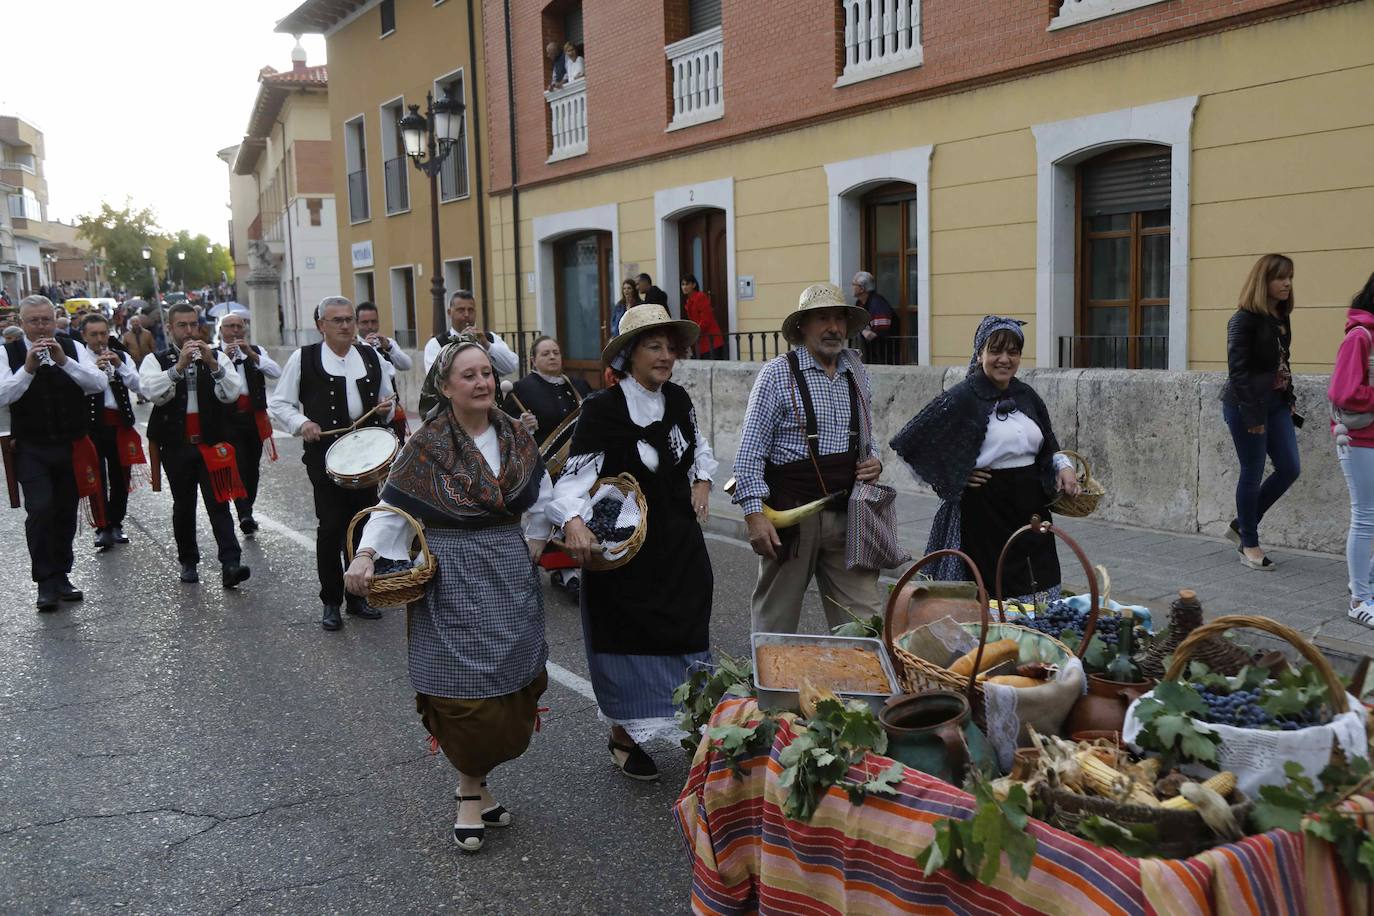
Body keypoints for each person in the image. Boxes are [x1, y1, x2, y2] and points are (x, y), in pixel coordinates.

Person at [344, 337, 552, 853]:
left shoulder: (515, 438)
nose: (483, 383)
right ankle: (468, 790)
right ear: (445, 386)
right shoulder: (427, 445)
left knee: (512, 684)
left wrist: (534, 544)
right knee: (461, 690)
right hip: (451, 571)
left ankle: (478, 783)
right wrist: (366, 556)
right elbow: (395, 510)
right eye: (470, 376)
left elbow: (542, 498)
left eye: (487, 373)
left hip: (507, 569)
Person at [552, 304, 717, 782]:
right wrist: (575, 522)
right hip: (625, 548)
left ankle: (692, 726)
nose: (666, 356)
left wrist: (702, 478)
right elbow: (572, 480)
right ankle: (623, 736)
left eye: (670, 347)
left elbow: (696, 446)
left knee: (687, 630)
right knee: (626, 635)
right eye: (654, 347)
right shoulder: (601, 409)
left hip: (679, 543)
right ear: (629, 355)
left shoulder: (680, 398)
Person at [891, 316, 1080, 602]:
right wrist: (957, 475)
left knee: (1039, 580)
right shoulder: (963, 397)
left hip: (1031, 509)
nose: (1004, 359)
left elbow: (1046, 446)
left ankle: (1034, 640)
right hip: (986, 512)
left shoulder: (1026, 395)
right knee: (993, 590)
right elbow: (913, 440)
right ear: (980, 353)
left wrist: (1064, 468)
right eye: (995, 351)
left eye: (1013, 352)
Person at [733, 283, 881, 633]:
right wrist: (755, 515)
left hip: (848, 516)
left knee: (866, 623)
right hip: (792, 518)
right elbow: (749, 453)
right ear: (803, 327)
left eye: (839, 319)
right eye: (823, 318)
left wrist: (873, 460)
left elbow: (867, 440)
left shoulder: (857, 373)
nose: (833, 327)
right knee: (776, 623)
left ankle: (862, 688)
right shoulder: (776, 374)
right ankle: (771, 688)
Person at [269, 296, 395, 631]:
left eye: (349, 319)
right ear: (321, 325)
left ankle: (357, 596)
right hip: (325, 457)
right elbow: (279, 403)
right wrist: (301, 424)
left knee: (363, 524)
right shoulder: (304, 358)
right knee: (331, 526)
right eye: (336, 320)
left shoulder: (370, 356)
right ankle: (331, 601)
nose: (345, 326)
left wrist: (385, 409)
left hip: (366, 457)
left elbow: (388, 399)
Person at [0, 296, 109, 610]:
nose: (40, 327)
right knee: (41, 509)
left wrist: (64, 361)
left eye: (45, 320)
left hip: (70, 444)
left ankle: (62, 574)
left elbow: (98, 383)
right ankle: (44, 582)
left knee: (64, 510)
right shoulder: (8, 353)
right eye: (33, 321)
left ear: (54, 319)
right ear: (22, 324)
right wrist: (28, 369)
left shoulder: (72, 347)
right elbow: (4, 395)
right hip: (31, 447)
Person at [140, 304, 252, 589]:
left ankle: (231, 563)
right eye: (182, 325)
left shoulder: (216, 357)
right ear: (170, 328)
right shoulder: (156, 359)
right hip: (176, 446)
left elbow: (231, 395)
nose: (189, 331)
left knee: (219, 503)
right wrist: (178, 368)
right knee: (184, 505)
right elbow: (154, 393)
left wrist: (213, 365)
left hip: (211, 443)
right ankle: (188, 560)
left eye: (193, 325)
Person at [1220, 253, 1301, 571]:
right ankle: (1249, 543)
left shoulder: (1281, 316)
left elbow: (1282, 361)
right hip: (1246, 406)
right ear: (1263, 281)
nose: (1287, 283)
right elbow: (1238, 372)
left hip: (1277, 405)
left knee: (1289, 468)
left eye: (1290, 277)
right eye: (1280, 277)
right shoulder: (1242, 320)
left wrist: (1289, 396)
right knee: (1251, 473)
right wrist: (1253, 416)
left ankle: (1243, 523)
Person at [504, 335, 591, 600]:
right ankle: (565, 573)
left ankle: (576, 568)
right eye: (545, 354)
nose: (553, 357)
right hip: (545, 466)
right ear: (533, 360)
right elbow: (504, 428)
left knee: (579, 515)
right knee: (553, 516)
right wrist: (522, 423)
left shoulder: (577, 384)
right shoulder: (522, 389)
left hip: (581, 464)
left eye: (556, 352)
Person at [1330, 271, 1374, 629]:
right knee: (1365, 517)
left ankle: (1365, 584)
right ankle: (1359, 599)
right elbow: (1343, 392)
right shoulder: (1360, 337)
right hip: (1359, 440)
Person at [215, 313, 282, 536]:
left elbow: (275, 372)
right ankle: (244, 512)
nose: (235, 330)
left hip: (252, 417)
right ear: (221, 330)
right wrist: (222, 358)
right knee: (238, 463)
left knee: (252, 467)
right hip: (226, 417)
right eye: (230, 326)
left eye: (239, 326)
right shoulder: (212, 352)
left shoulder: (256, 350)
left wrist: (251, 355)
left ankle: (247, 508)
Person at [82, 313, 144, 550]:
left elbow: (140, 386)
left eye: (103, 334)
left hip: (120, 425)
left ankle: (116, 522)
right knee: (95, 478)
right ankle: (102, 527)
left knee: (121, 477)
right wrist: (93, 373)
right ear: (84, 336)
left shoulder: (122, 356)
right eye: (94, 335)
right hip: (91, 427)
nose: (100, 340)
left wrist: (119, 366)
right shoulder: (79, 358)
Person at [420, 290, 518, 415]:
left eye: (471, 310)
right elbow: (437, 380)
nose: (466, 315)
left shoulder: (490, 338)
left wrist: (487, 345)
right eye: (461, 310)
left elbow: (511, 366)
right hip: (454, 415)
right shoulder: (436, 344)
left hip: (490, 412)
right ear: (450, 313)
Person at [356, 301, 413, 441]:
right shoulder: (354, 346)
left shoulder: (387, 343)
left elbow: (406, 365)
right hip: (367, 414)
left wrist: (389, 348)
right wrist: (366, 349)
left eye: (373, 322)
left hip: (391, 410)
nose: (370, 326)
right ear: (356, 324)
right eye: (365, 322)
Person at [852, 271, 897, 365]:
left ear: (862, 288)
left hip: (882, 355)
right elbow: (855, 323)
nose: (852, 287)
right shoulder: (859, 303)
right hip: (870, 353)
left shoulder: (877, 303)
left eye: (854, 284)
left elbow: (880, 331)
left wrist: (864, 331)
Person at [681, 274, 726, 360]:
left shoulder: (700, 297)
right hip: (701, 342)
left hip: (711, 341)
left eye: (687, 284)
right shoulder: (689, 301)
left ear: (694, 285)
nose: (684, 287)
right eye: (683, 284)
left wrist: (693, 333)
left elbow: (705, 320)